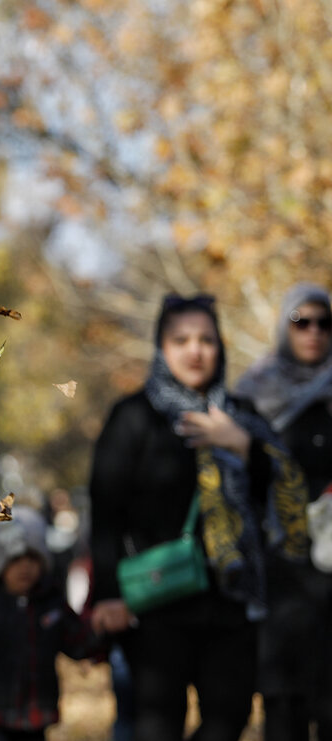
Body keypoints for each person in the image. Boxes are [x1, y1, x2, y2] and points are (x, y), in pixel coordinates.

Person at [90, 293, 308, 741]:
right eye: (181, 339)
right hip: (155, 601)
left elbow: (282, 494)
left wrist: (242, 445)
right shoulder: (134, 417)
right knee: (156, 728)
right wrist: (109, 594)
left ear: (221, 347)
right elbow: (105, 513)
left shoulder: (243, 416)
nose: (196, 350)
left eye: (206, 339)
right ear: (161, 348)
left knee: (228, 723)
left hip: (232, 600)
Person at [235, 283, 332, 741]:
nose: (313, 332)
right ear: (284, 327)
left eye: (324, 323)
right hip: (279, 577)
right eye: (301, 321)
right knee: (285, 712)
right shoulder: (252, 397)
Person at [0, 510, 102, 740]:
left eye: (32, 559)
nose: (25, 567)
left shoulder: (51, 601)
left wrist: (99, 628)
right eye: (15, 560)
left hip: (35, 716)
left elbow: (77, 641)